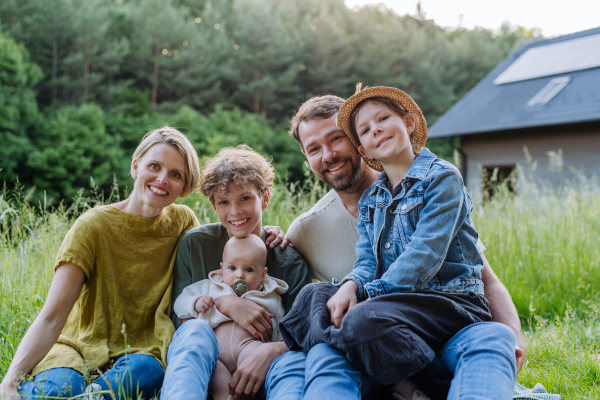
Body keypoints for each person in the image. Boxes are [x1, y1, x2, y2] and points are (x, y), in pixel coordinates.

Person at [279, 93, 524, 399]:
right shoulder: (312, 226)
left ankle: (415, 383)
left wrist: (514, 335)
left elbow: (466, 271)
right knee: (314, 301)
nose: (328, 154)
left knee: (492, 340)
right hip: (375, 337)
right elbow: (361, 263)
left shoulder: (438, 180)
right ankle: (398, 382)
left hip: (444, 313)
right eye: (314, 148)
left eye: (336, 139)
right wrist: (351, 285)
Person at [0, 127, 203, 400]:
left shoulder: (183, 221)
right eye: (154, 166)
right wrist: (10, 378)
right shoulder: (92, 226)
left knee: (146, 371)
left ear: (184, 186)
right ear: (135, 166)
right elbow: (52, 317)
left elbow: (221, 260)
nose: (162, 179)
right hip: (78, 347)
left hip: (144, 352)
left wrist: (272, 235)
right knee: (59, 390)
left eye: (176, 174)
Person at [162, 145, 312, 400]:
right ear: (214, 206)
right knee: (194, 333)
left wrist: (271, 351)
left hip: (263, 360)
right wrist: (225, 304)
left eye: (245, 198)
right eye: (224, 202)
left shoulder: (289, 260)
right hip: (205, 354)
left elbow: (302, 334)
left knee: (291, 364)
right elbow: (180, 320)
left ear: (264, 198)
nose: (235, 212)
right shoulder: (195, 244)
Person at [173, 235, 288, 400]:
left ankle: (245, 393)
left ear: (263, 274)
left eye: (249, 270)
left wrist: (275, 345)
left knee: (249, 376)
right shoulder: (210, 287)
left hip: (249, 348)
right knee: (218, 378)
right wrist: (196, 302)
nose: (239, 276)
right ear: (222, 268)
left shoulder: (270, 296)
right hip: (216, 353)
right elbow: (180, 303)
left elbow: (280, 324)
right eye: (232, 268)